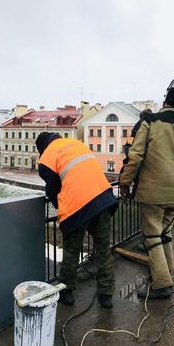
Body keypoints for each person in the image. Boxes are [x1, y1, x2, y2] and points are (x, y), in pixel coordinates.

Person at [119, 73, 174, 299]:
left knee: (152, 236)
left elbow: (135, 157)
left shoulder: (150, 122)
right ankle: (167, 272)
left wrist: (124, 183)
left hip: (152, 192)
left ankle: (161, 285)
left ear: (164, 100)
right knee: (165, 233)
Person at [36, 132, 118, 308]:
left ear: (42, 148)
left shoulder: (47, 156)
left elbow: (52, 190)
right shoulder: (76, 144)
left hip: (78, 206)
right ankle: (106, 294)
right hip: (103, 198)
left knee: (72, 250)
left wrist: (63, 208)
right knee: (103, 249)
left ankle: (67, 291)